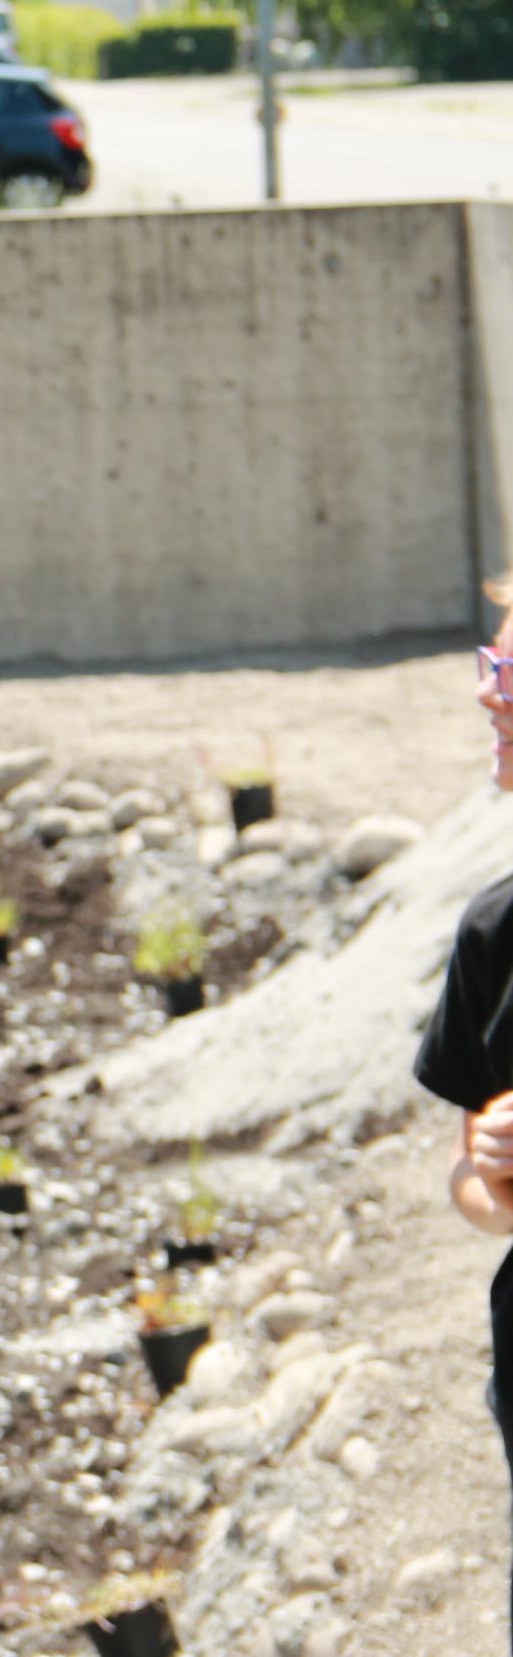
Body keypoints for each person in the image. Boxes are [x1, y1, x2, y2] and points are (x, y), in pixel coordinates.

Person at [416, 588, 513, 1648]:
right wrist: (491, 1172)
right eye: (491, 668)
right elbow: (466, 1189)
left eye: (512, 678)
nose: (488, 697)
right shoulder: (494, 929)